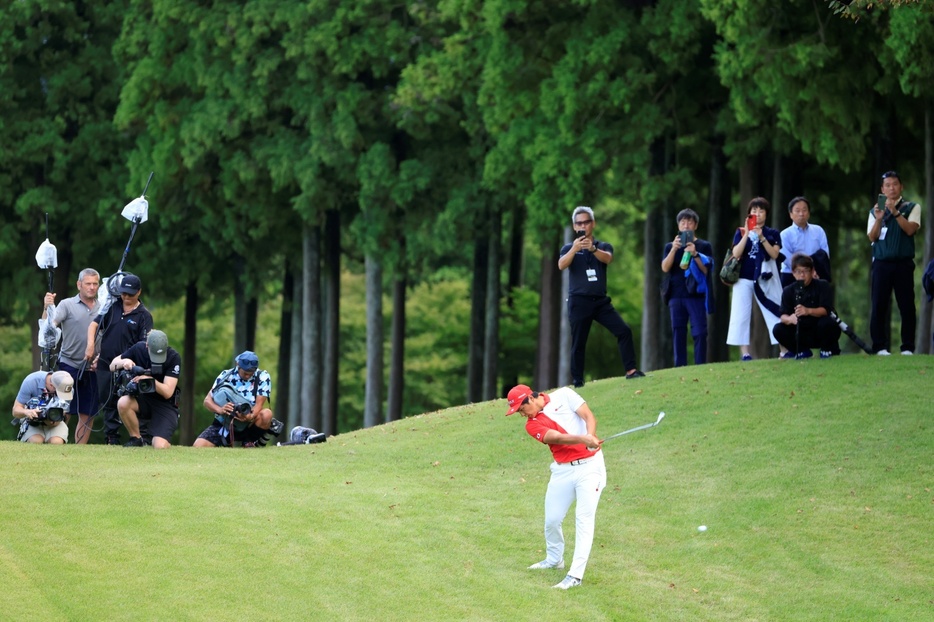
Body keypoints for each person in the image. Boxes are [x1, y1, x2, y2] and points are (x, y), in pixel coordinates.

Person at [506, 383, 606, 591]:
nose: (522, 415)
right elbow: (557, 438)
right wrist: (583, 439)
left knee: (583, 519)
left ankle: (575, 575)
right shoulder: (531, 425)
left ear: (530, 399)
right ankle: (554, 559)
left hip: (590, 468)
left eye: (521, 409)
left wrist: (591, 435)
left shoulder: (565, 395)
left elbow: (588, 416)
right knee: (552, 520)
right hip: (562, 471)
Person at [558, 206, 644, 386]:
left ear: (593, 224)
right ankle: (578, 381)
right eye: (579, 223)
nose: (583, 226)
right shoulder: (568, 247)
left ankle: (631, 370)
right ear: (574, 227)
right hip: (579, 301)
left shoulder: (603, 246)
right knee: (578, 342)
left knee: (623, 330)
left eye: (586, 222)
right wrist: (575, 249)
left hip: (601, 301)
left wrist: (593, 249)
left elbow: (608, 258)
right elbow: (561, 264)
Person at [86, 273, 153, 444]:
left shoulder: (144, 316)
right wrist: (91, 345)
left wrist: (129, 360)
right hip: (105, 363)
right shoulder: (113, 307)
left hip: (128, 366)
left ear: (139, 292)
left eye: (130, 294)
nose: (126, 297)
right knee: (107, 402)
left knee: (129, 400)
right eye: (123, 293)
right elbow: (95, 324)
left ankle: (140, 437)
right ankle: (111, 438)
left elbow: (144, 344)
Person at [42, 268, 101, 443]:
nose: (91, 287)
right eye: (88, 283)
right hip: (69, 364)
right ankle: (56, 442)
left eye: (95, 284)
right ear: (79, 284)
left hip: (93, 366)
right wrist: (46, 308)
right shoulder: (67, 304)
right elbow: (48, 329)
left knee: (88, 412)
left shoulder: (103, 306)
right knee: (63, 408)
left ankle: (79, 450)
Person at [866, 171, 921, 355]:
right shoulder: (875, 210)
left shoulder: (912, 207)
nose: (891, 188)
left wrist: (896, 213)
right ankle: (879, 346)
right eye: (887, 185)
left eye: (895, 184)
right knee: (879, 305)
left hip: (903, 263)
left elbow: (910, 230)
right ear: (882, 189)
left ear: (901, 186)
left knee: (906, 305)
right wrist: (880, 217)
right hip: (882, 264)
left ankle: (907, 347)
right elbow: (872, 237)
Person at [726, 197, 784, 360]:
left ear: (766, 214)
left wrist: (762, 237)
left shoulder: (773, 233)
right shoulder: (741, 232)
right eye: (754, 211)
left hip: (766, 277)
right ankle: (745, 354)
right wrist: (746, 232)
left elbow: (774, 254)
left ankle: (784, 350)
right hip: (743, 278)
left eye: (761, 211)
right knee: (741, 314)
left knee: (775, 309)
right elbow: (736, 254)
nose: (757, 214)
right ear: (749, 214)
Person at [194, 351, 282, 448]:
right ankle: (226, 442)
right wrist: (220, 409)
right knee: (198, 446)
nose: (248, 376)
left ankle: (250, 442)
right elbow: (207, 401)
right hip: (224, 423)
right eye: (245, 373)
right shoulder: (226, 375)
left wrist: (250, 416)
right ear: (238, 365)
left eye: (251, 373)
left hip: (249, 424)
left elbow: (259, 405)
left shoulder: (262, 376)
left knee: (267, 414)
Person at [661, 208, 715, 366]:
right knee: (678, 331)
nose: (686, 225)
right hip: (676, 295)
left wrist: (695, 254)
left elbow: (707, 270)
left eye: (689, 222)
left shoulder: (704, 245)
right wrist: (673, 249)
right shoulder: (670, 246)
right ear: (678, 225)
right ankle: (680, 367)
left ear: (695, 225)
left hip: (696, 295)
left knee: (700, 332)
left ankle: (700, 365)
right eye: (682, 222)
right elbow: (665, 268)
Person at [109, 329, 180, 448]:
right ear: (147, 345)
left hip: (165, 404)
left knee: (159, 446)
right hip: (143, 399)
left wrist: (149, 380)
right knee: (123, 402)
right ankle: (136, 439)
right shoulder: (138, 348)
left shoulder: (173, 357)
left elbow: (168, 392)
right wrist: (125, 362)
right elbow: (112, 366)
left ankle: (162, 438)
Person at [773, 254, 841, 359]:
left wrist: (808, 311)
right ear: (793, 273)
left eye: (806, 271)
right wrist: (790, 319)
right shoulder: (788, 291)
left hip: (820, 329)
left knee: (828, 322)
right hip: (800, 331)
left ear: (812, 271)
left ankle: (827, 349)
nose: (802, 275)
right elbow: (783, 315)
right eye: (798, 272)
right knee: (778, 329)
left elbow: (826, 310)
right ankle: (801, 351)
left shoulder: (822, 285)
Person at [779, 197, 831, 288]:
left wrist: (812, 271)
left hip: (815, 274)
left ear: (809, 213)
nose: (801, 214)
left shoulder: (818, 231)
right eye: (797, 211)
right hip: (791, 275)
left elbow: (825, 254)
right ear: (790, 214)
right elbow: (786, 258)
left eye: (804, 210)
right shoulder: (784, 234)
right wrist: (803, 272)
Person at [11, 370, 74, 444]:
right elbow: (15, 411)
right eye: (60, 392)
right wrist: (27, 412)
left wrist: (56, 420)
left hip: (54, 421)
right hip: (31, 420)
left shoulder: (67, 388)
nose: (63, 396)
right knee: (36, 441)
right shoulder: (31, 381)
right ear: (51, 385)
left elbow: (65, 413)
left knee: (57, 442)